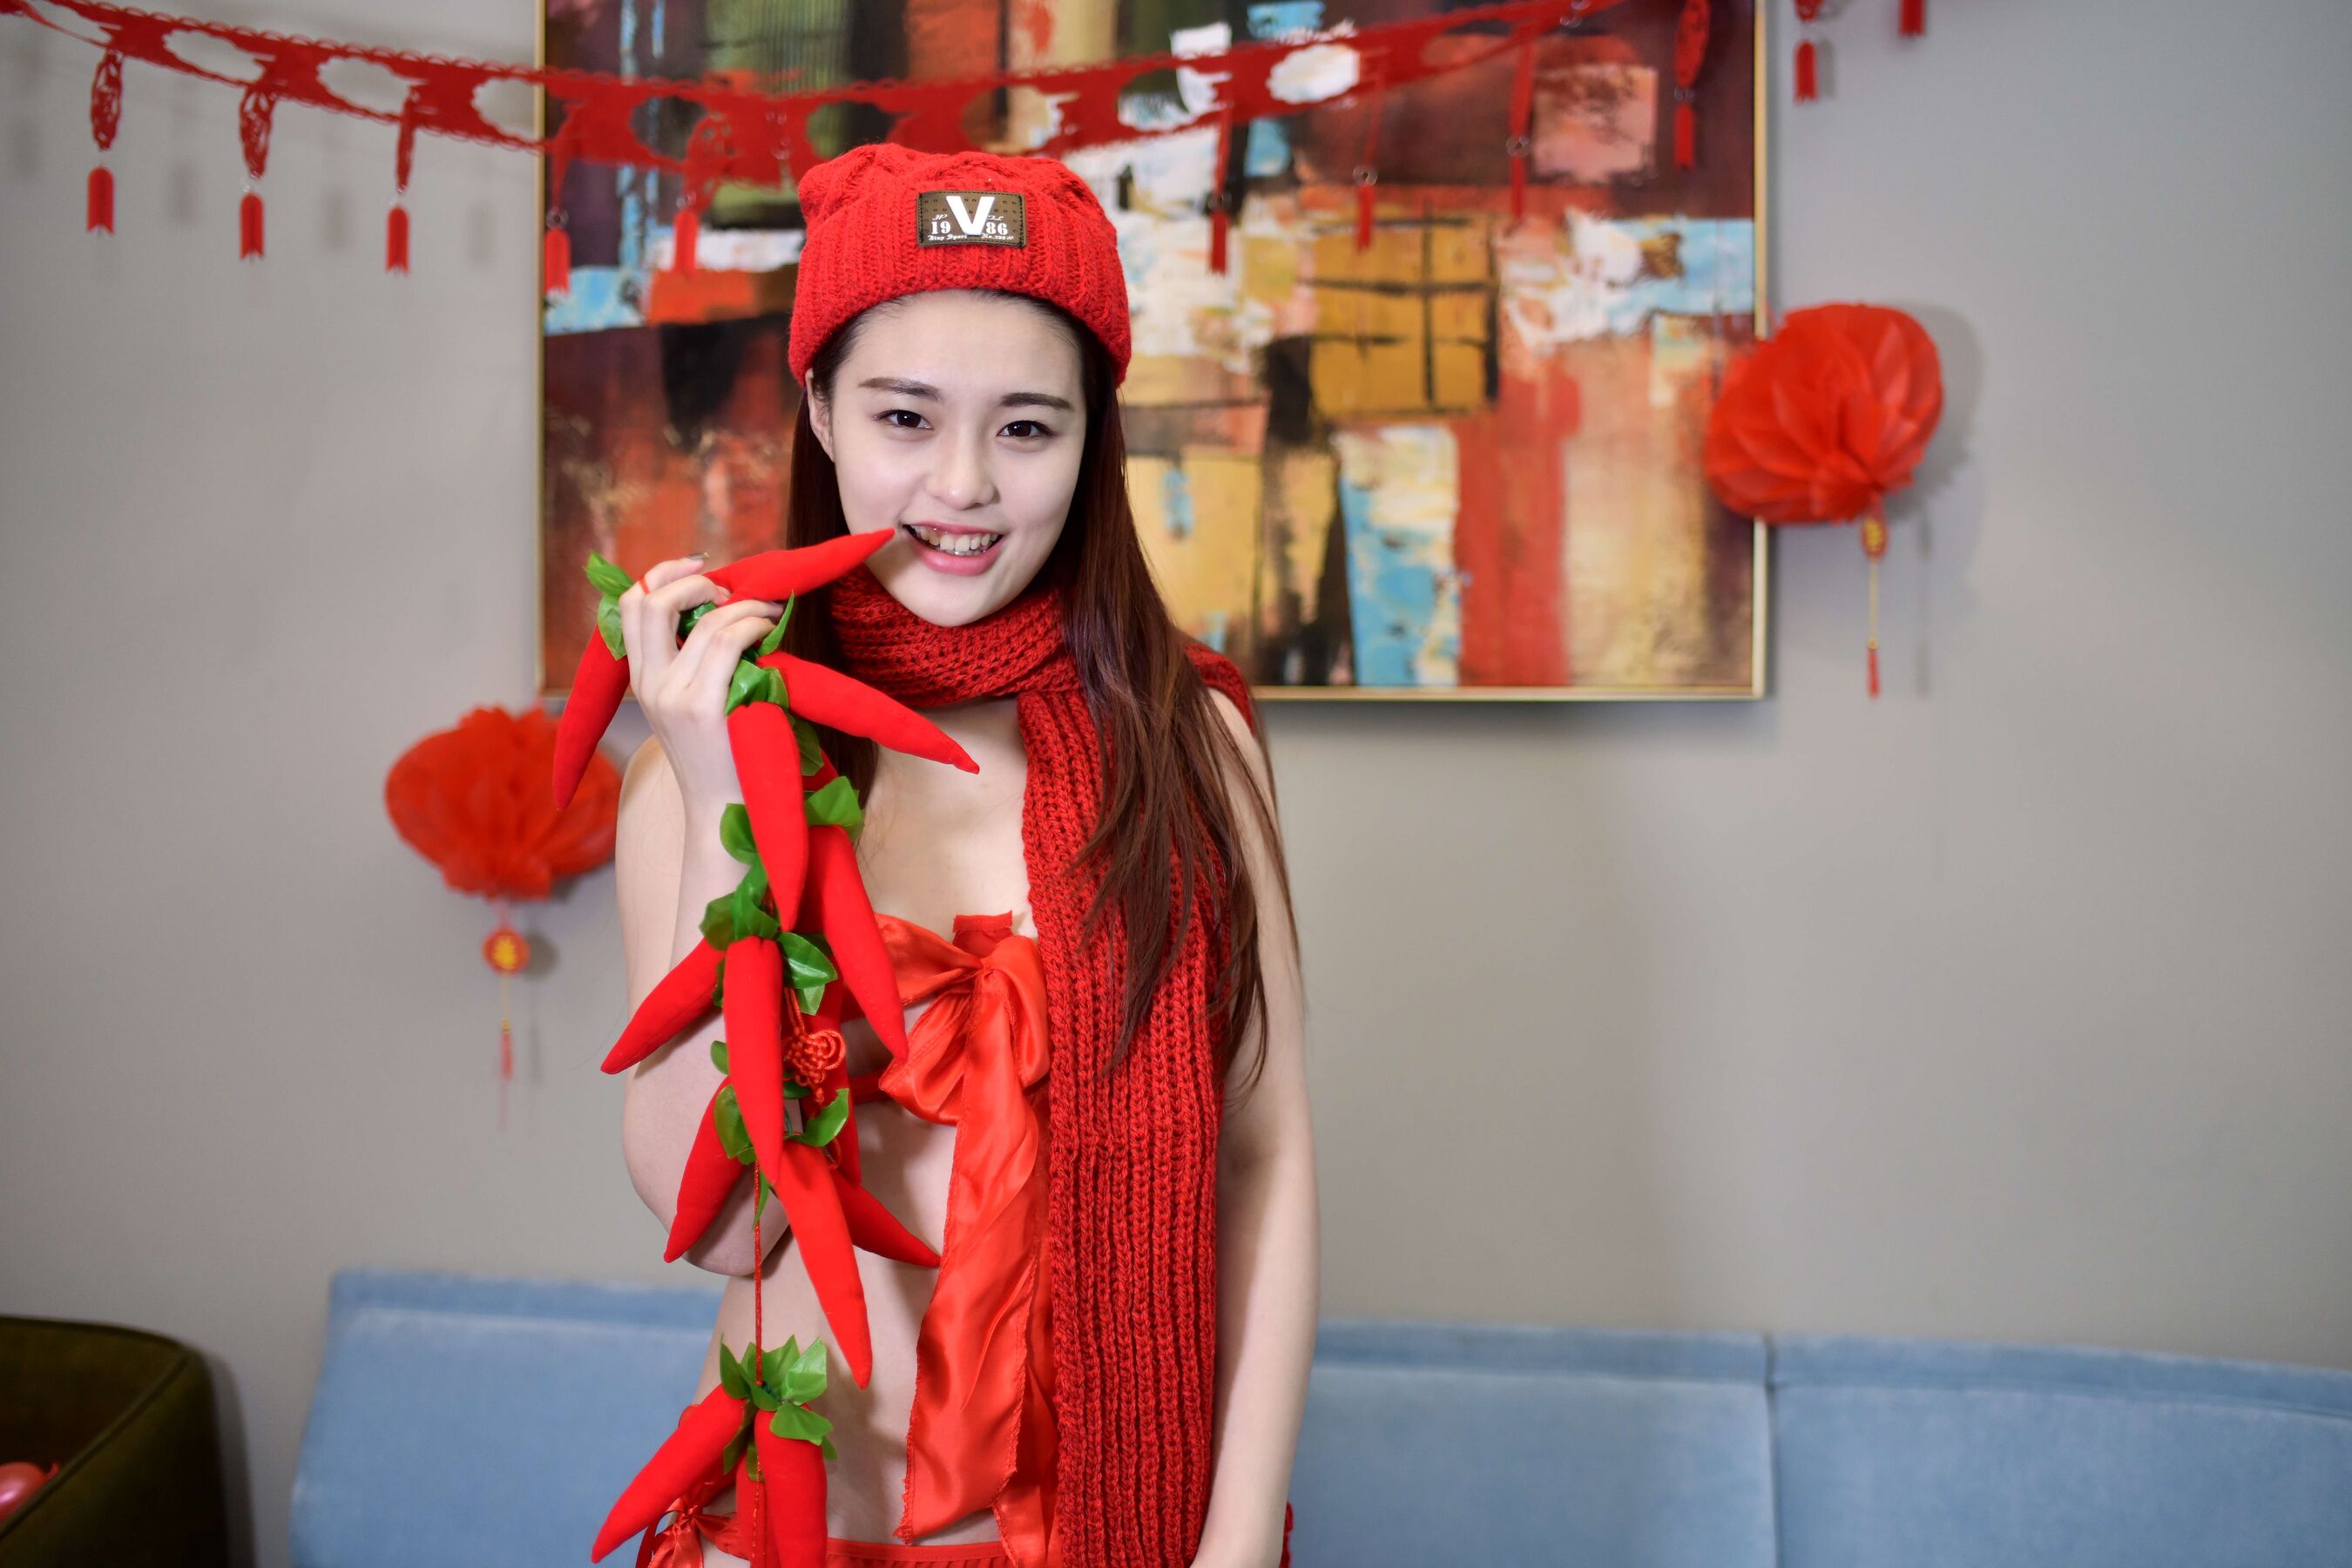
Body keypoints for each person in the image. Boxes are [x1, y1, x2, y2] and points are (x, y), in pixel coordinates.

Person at [608, 143, 1317, 1568]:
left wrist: (1234, 1551)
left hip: (1112, 1530)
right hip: (788, 1534)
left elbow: (1266, 1161)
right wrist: (717, 796)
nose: (963, 483)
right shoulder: (704, 755)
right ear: (820, 409)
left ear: (1093, 439)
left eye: (1027, 427)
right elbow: (721, 1225)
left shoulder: (1191, 744)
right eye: (904, 415)